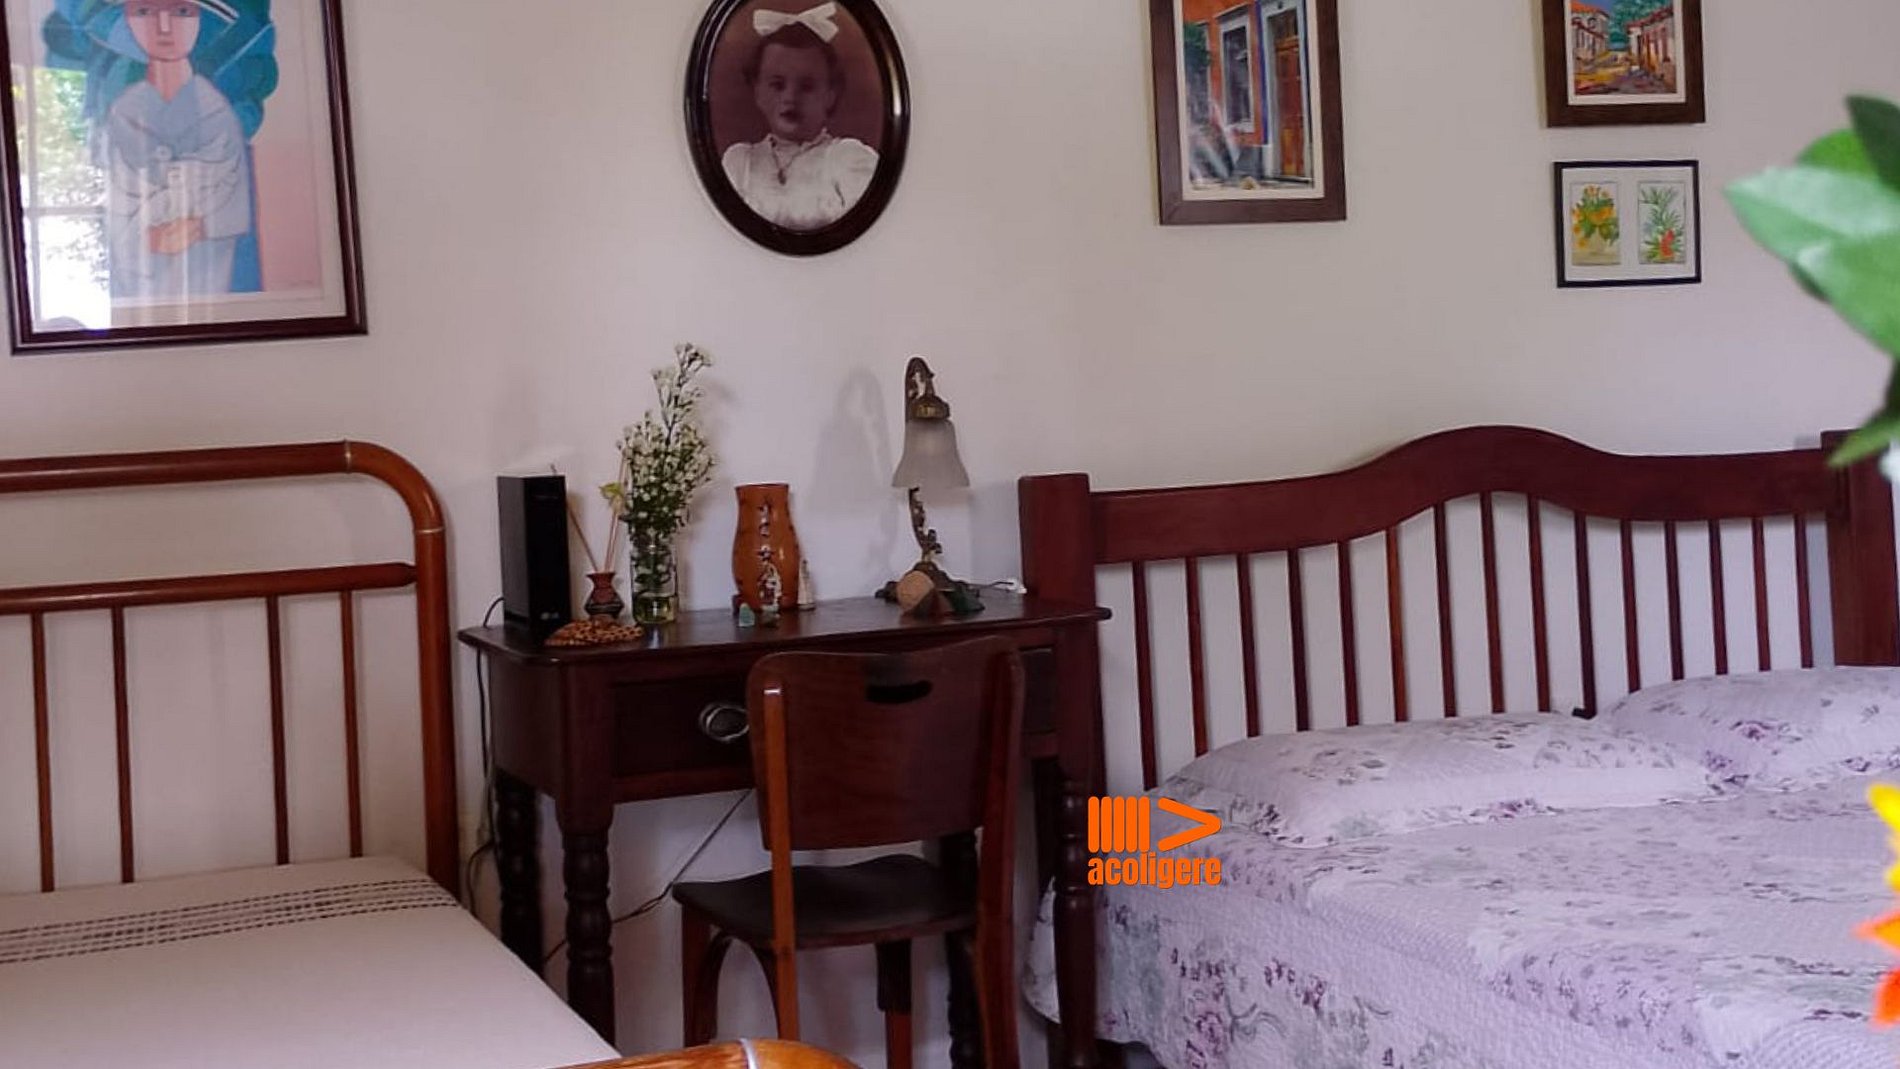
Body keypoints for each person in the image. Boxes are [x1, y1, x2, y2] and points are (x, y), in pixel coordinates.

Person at [96, 0, 253, 300]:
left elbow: (233, 208)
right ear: (127, 19)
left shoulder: (217, 112)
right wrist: (148, 239)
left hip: (205, 274)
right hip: (138, 285)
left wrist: (199, 227)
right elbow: (116, 206)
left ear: (200, 20)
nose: (164, 27)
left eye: (181, 12)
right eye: (145, 12)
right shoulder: (123, 112)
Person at [721, 3, 878, 232]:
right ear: (757, 92)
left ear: (830, 95)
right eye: (777, 85)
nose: (790, 98)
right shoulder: (740, 163)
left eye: (807, 87)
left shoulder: (847, 160)